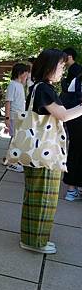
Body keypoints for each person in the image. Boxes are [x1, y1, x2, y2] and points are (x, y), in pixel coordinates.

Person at [20, 49, 82, 254]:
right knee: (44, 197)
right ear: (50, 66)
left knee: (37, 195)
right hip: (45, 152)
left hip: (39, 151)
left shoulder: (39, 87)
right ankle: (35, 241)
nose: (63, 70)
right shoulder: (44, 89)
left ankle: (31, 237)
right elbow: (62, 115)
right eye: (61, 66)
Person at [4, 63, 30, 173]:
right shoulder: (12, 85)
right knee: (15, 139)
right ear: (20, 73)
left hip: (20, 116)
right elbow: (8, 102)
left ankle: (11, 160)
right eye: (26, 73)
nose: (27, 75)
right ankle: (11, 162)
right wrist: (7, 118)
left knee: (16, 139)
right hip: (14, 116)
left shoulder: (20, 85)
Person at [62, 73, 82, 201]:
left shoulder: (77, 79)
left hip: (75, 120)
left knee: (74, 152)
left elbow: (67, 98)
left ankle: (71, 190)